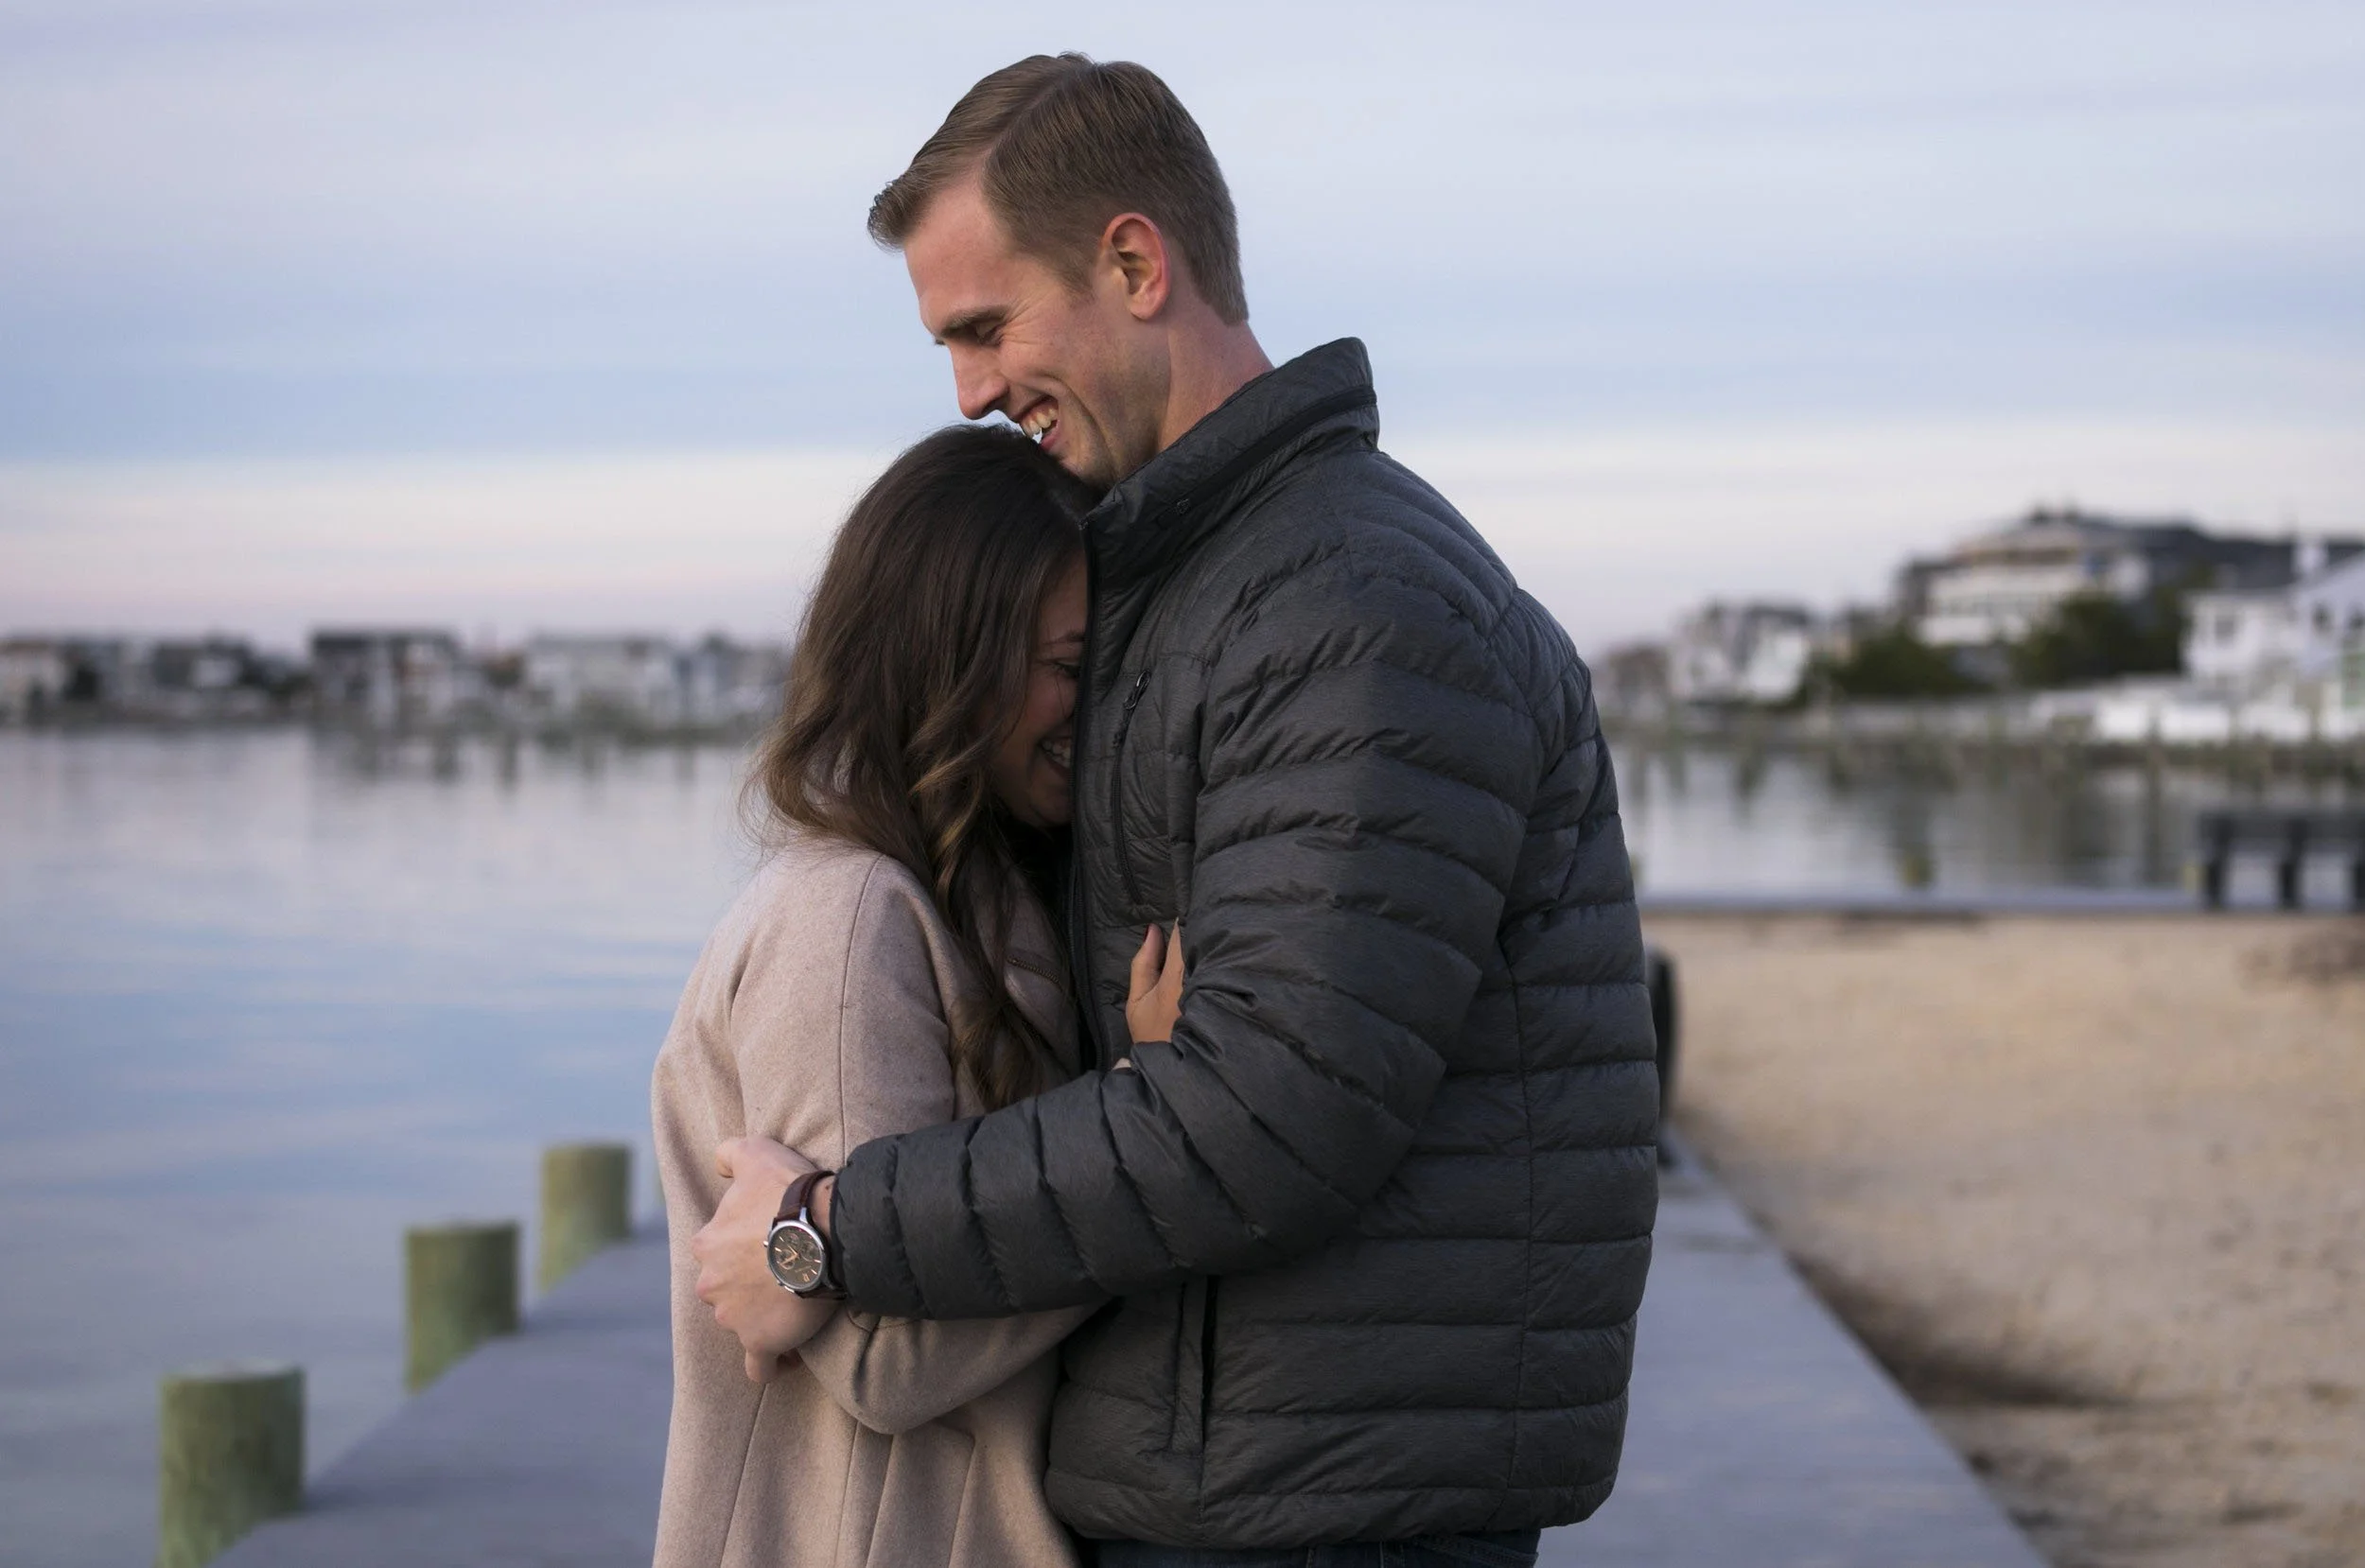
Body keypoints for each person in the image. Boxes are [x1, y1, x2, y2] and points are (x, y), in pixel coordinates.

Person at [696, 54, 1657, 1566]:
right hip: (1245, 1468)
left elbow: (1274, 1111)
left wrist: (828, 1225)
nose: (968, 391)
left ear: (1135, 263)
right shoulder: (1212, 581)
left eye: (986, 325)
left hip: (1313, 1502)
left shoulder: (1348, 600)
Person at [649, 425, 1186, 1568]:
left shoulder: (975, 895)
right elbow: (883, 1352)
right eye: (1064, 663)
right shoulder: (842, 922)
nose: (1092, 704)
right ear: (949, 661)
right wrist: (1148, 1127)